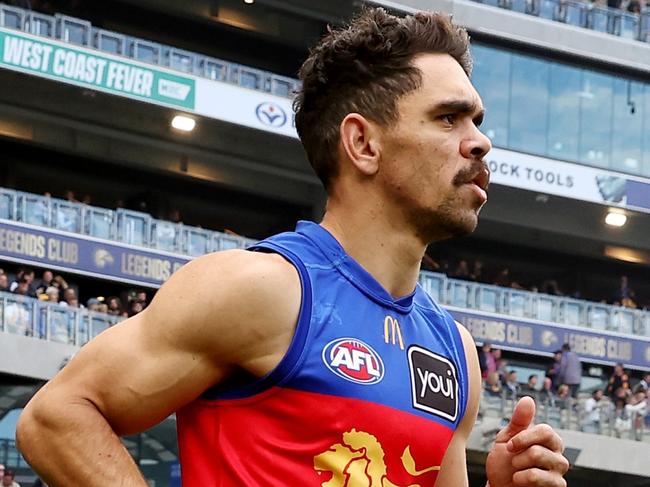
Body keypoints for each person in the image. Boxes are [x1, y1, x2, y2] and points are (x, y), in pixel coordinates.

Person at [16, 8, 568, 487]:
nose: (480, 140)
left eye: (476, 120)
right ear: (363, 143)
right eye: (448, 118)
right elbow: (57, 417)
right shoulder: (261, 289)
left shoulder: (456, 354)